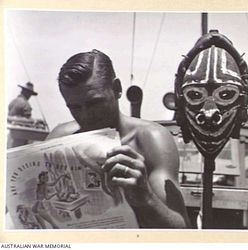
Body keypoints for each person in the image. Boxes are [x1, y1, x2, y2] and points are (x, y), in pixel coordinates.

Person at [46, 49, 190, 228]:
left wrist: (145, 198)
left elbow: (182, 230)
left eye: (94, 103)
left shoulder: (150, 139)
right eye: (74, 107)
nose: (86, 115)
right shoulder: (59, 138)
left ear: (117, 89)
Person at [7, 82, 39, 148]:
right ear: (26, 93)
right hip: (20, 135)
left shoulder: (13, 101)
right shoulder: (26, 104)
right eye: (30, 94)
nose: (30, 96)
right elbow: (28, 121)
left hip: (10, 133)